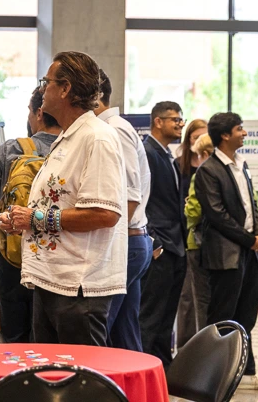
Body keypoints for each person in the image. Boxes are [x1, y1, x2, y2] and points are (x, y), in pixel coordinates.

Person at [0, 51, 126, 347]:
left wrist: (35, 219)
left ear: (66, 88)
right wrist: (23, 220)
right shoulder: (69, 137)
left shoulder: (97, 138)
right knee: (52, 381)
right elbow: (58, 203)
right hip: (54, 280)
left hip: (79, 288)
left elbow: (105, 214)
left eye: (47, 82)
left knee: (82, 385)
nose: (42, 89)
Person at [0, 86, 62, 343]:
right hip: (60, 261)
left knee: (14, 339)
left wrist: (8, 218)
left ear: (39, 113)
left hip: (15, 260)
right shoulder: (75, 149)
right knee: (54, 343)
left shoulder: (11, 150)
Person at [195, 112, 258, 390]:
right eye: (240, 129)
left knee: (246, 315)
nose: (244, 133)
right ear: (225, 135)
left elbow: (251, 207)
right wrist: (249, 240)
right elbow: (216, 215)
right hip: (225, 254)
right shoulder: (208, 170)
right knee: (222, 318)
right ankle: (211, 377)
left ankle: (247, 374)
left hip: (247, 252)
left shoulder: (243, 165)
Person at [95, 71, 151, 352]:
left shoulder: (114, 129)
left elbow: (130, 193)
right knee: (124, 333)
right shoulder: (109, 128)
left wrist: (110, 245)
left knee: (100, 330)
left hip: (125, 241)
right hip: (128, 240)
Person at [139, 101, 186, 367]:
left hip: (176, 247)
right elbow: (141, 201)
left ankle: (162, 374)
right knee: (150, 318)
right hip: (160, 248)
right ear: (158, 121)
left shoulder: (167, 154)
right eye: (175, 120)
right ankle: (144, 374)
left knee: (166, 319)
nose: (180, 125)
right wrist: (154, 242)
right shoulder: (146, 153)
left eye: (181, 120)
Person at [178, 133, 213, 346]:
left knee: (200, 302)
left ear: (204, 154)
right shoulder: (230, 172)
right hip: (220, 248)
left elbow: (193, 211)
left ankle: (202, 351)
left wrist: (188, 205)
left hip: (197, 244)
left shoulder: (200, 175)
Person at [178, 119, 208, 199]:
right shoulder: (179, 163)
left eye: (204, 137)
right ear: (189, 139)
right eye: (196, 137)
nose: (200, 141)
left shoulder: (216, 164)